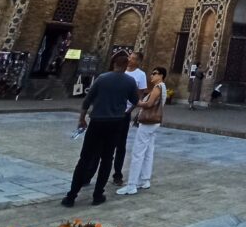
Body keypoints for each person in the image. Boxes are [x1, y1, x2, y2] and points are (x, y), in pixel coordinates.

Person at [62, 51, 139, 207]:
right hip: (115, 122)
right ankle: (98, 195)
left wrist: (82, 119)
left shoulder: (102, 78)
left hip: (97, 121)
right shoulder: (129, 81)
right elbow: (135, 101)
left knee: (85, 158)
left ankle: (71, 196)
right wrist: (125, 110)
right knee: (107, 158)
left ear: (114, 64)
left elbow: (87, 100)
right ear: (125, 66)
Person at [116, 66, 167, 195]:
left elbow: (149, 104)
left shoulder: (158, 87)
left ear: (161, 75)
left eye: (154, 74)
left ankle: (132, 184)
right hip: (155, 123)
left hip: (148, 123)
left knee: (138, 152)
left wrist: (136, 102)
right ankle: (145, 179)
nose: (152, 76)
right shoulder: (163, 87)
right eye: (152, 73)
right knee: (149, 151)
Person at [113, 51, 148, 185]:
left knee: (120, 145)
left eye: (133, 58)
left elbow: (139, 96)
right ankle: (90, 173)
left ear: (138, 61)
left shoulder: (140, 75)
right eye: (129, 57)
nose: (130, 60)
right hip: (111, 111)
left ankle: (117, 174)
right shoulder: (120, 71)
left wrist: (129, 110)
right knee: (105, 143)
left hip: (124, 113)